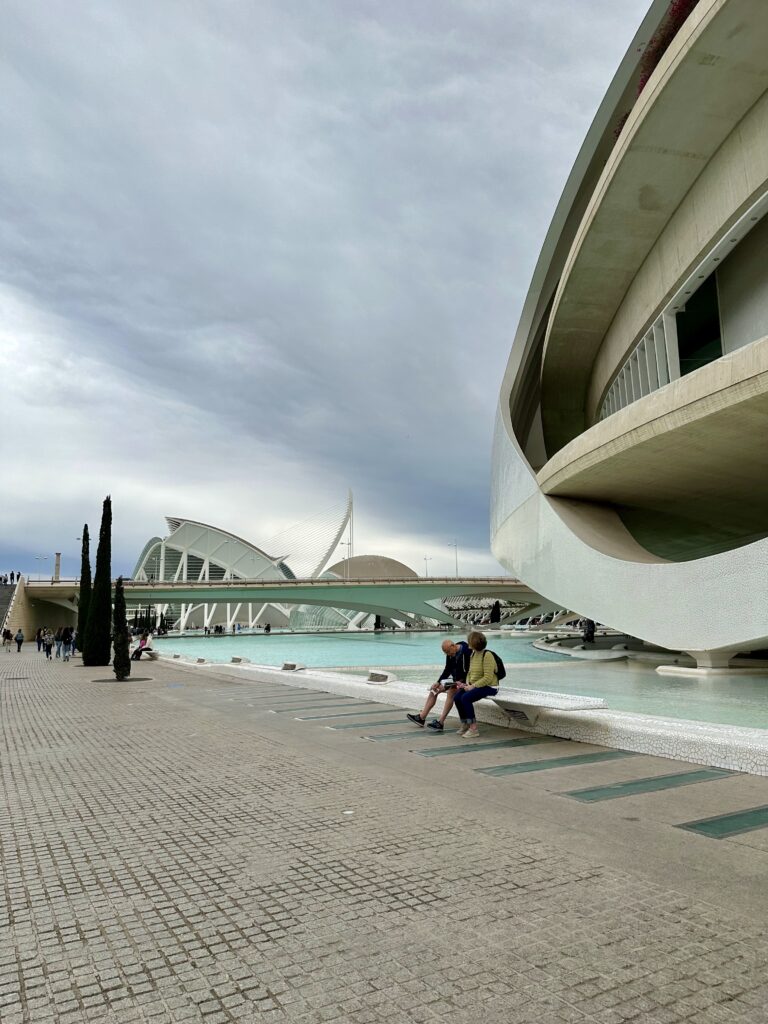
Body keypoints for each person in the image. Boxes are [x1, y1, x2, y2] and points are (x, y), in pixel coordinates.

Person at [407, 638, 471, 731]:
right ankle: (421, 717)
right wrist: (438, 682)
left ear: (453, 646)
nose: (448, 655)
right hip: (455, 681)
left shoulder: (466, 652)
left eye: (449, 652)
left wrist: (461, 682)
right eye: (446, 653)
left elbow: (469, 671)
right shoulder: (450, 653)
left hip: (465, 682)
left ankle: (441, 722)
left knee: (451, 691)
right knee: (434, 690)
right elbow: (447, 669)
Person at [453, 631, 500, 739]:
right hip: (477, 685)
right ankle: (465, 723)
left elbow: (488, 678)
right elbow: (470, 672)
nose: (467, 643)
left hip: (490, 687)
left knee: (466, 698)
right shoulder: (473, 653)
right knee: (457, 697)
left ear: (473, 643)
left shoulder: (487, 655)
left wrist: (473, 686)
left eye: (469, 641)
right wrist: (466, 684)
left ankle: (473, 729)